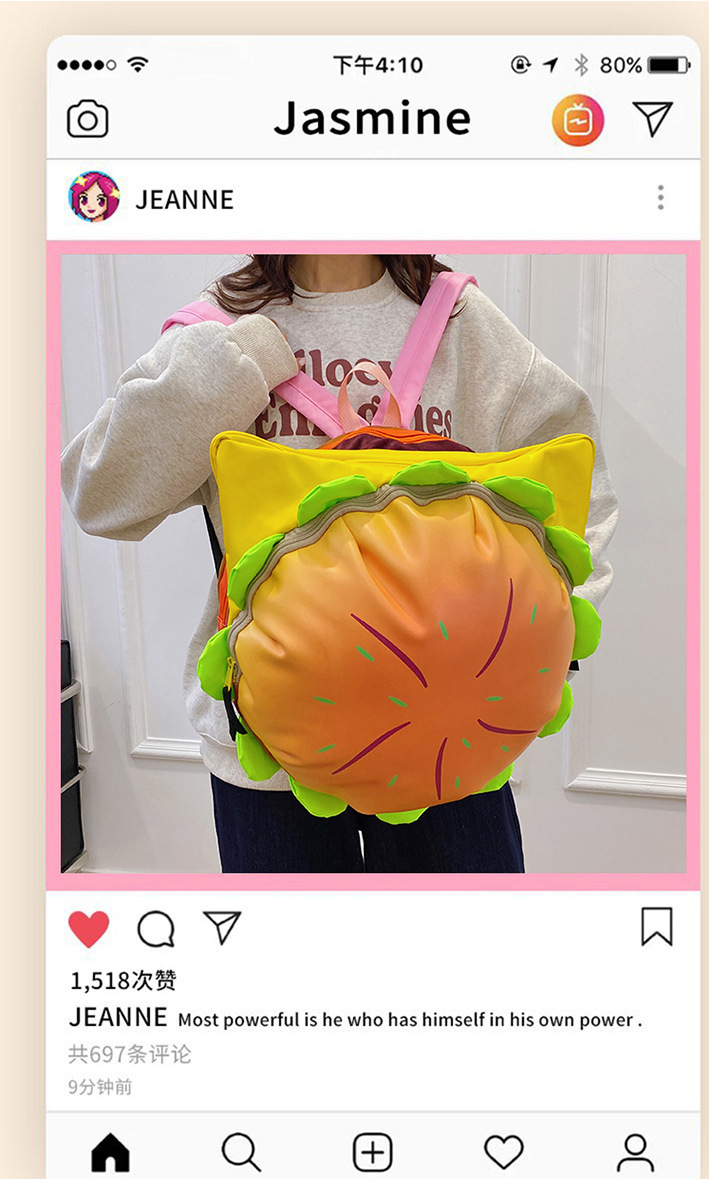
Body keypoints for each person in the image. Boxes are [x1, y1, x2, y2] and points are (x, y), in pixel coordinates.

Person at [62, 254, 618, 874]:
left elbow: (577, 477)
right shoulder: (222, 328)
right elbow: (99, 497)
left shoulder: (461, 322)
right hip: (270, 746)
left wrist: (546, 635)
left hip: (453, 729)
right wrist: (234, 364)